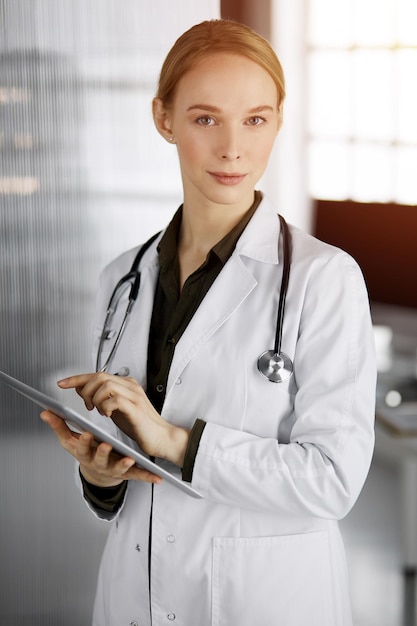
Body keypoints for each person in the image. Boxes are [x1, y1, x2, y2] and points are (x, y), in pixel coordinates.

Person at [41, 18, 376, 626]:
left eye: (255, 119)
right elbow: (125, 478)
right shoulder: (124, 277)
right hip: (134, 598)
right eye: (205, 118)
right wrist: (100, 475)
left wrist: (175, 441)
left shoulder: (324, 279)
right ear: (163, 119)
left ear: (277, 120)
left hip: (265, 603)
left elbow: (333, 480)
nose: (232, 149)